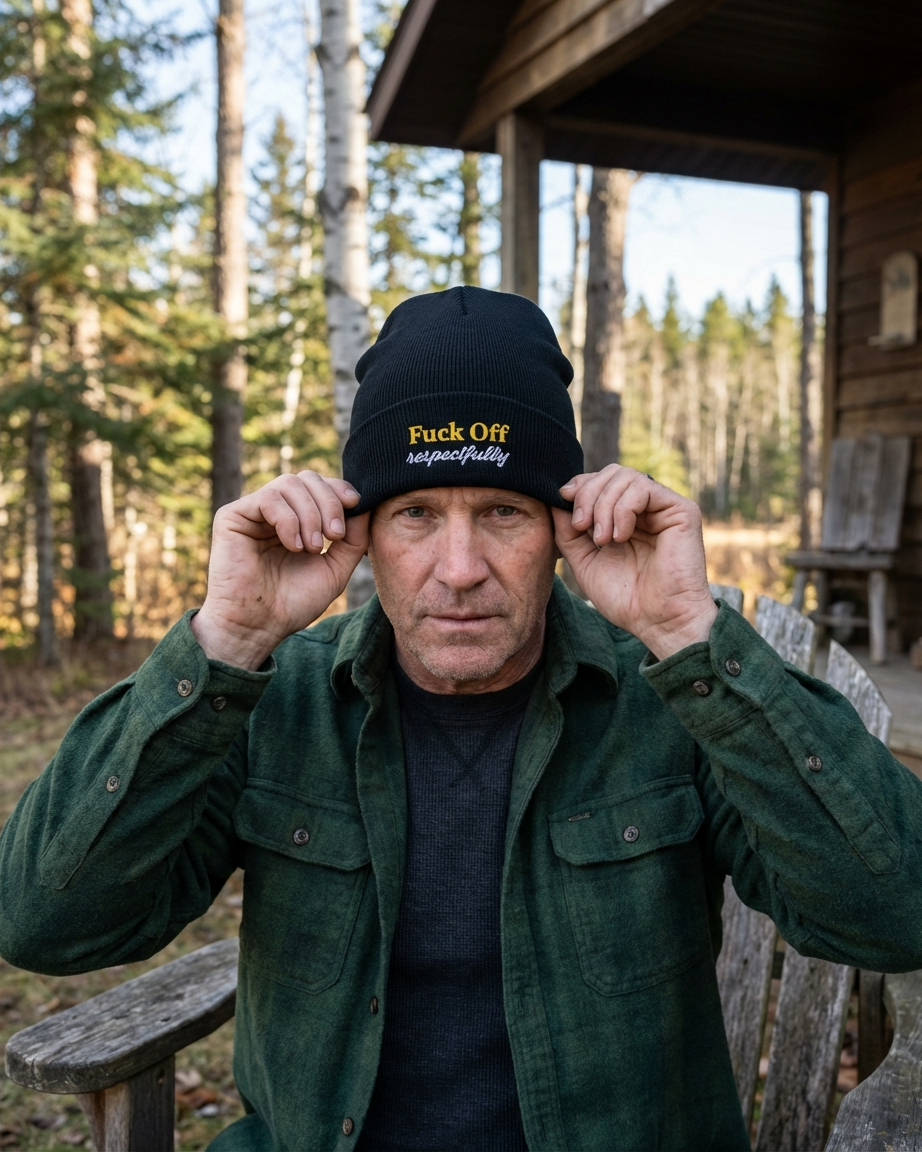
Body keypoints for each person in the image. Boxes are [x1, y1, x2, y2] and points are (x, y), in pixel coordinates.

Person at [2, 286, 922, 1152]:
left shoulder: (672, 705)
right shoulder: (273, 701)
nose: (458, 566)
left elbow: (895, 914)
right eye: (414, 514)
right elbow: (46, 922)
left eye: (501, 512)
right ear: (358, 531)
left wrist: (689, 632)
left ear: (565, 528)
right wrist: (224, 640)